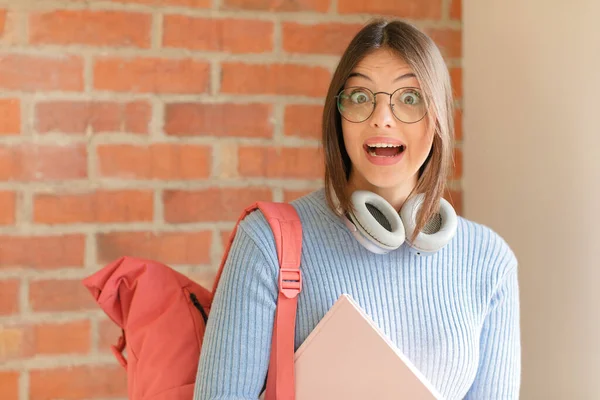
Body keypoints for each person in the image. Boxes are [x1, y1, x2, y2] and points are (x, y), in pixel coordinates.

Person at [194, 18, 520, 400]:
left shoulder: (489, 261)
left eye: (410, 98)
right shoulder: (268, 242)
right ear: (339, 117)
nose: (382, 117)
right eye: (361, 97)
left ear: (437, 119)